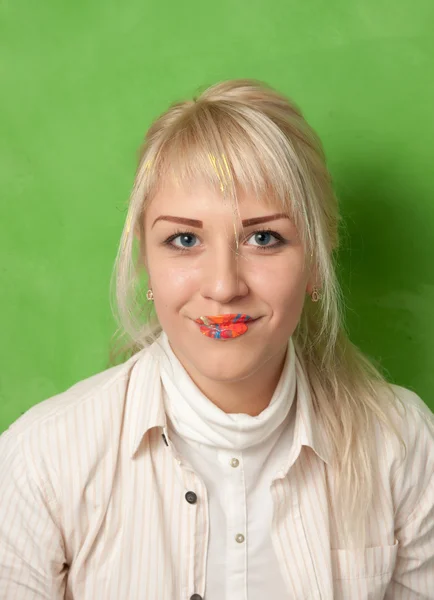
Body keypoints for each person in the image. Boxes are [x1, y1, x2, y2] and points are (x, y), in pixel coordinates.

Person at [0, 79, 433, 600]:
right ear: (146, 262)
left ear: (316, 261)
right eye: (184, 240)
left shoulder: (404, 446)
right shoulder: (39, 460)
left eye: (264, 238)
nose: (224, 286)